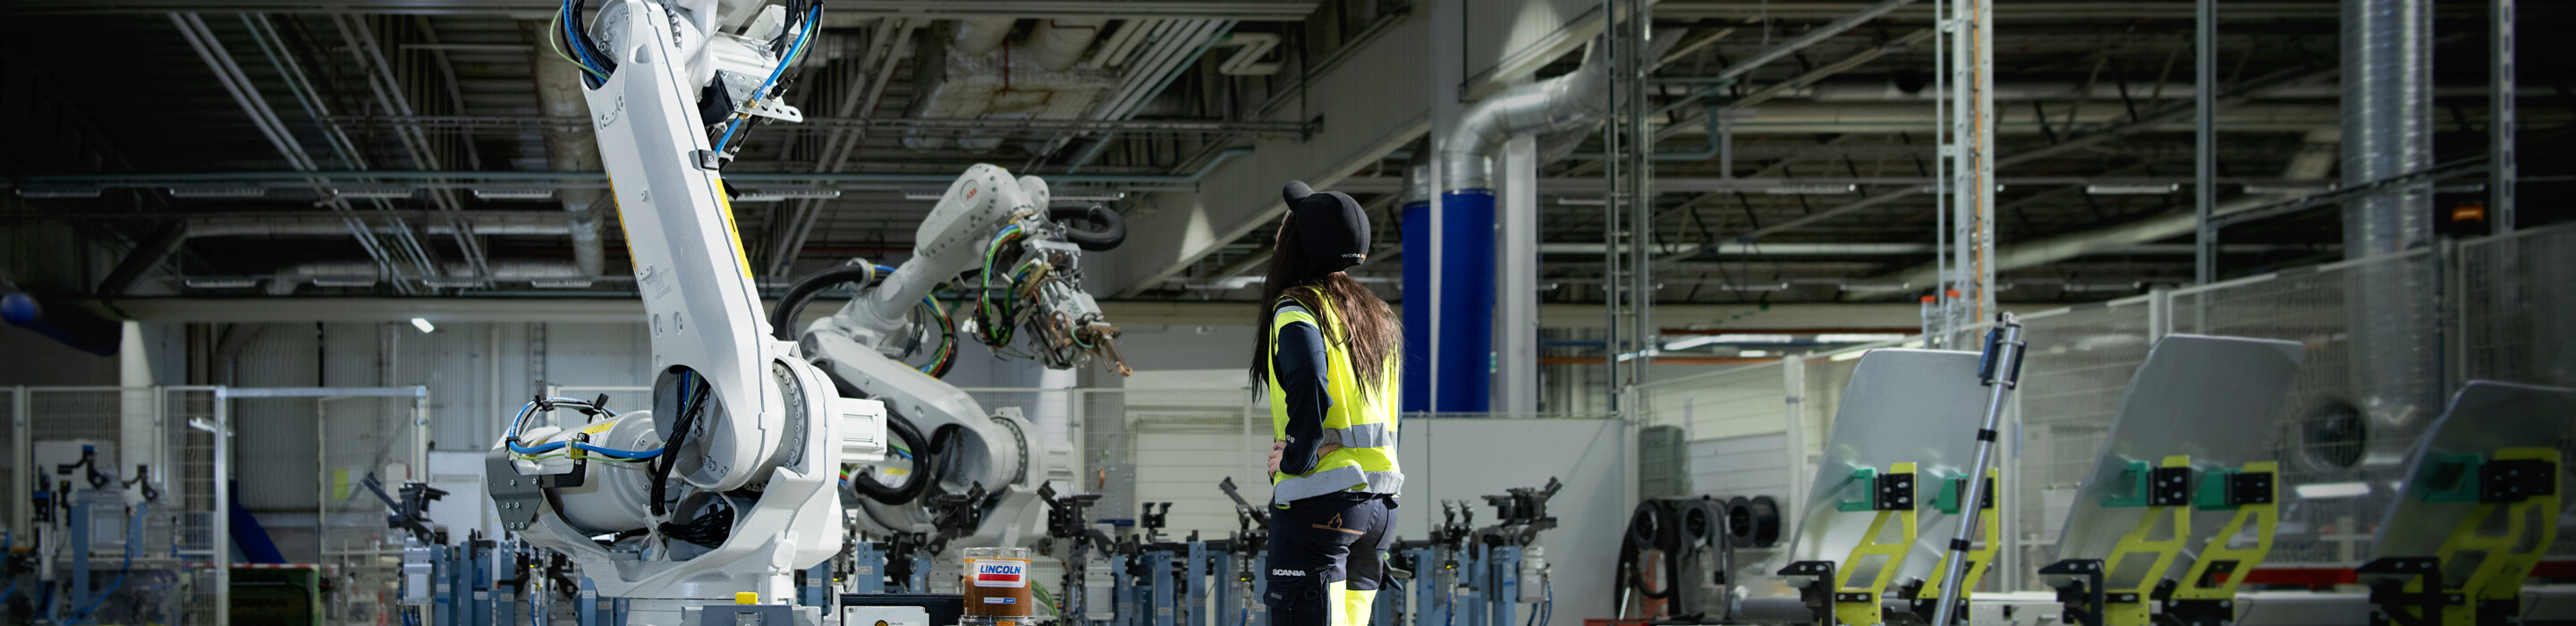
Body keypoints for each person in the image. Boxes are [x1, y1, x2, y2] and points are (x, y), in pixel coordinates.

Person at [1255, 182, 1403, 626]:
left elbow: (1309, 381)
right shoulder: (1375, 317)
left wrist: (1298, 457)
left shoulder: (1297, 309)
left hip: (1323, 503)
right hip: (1379, 507)